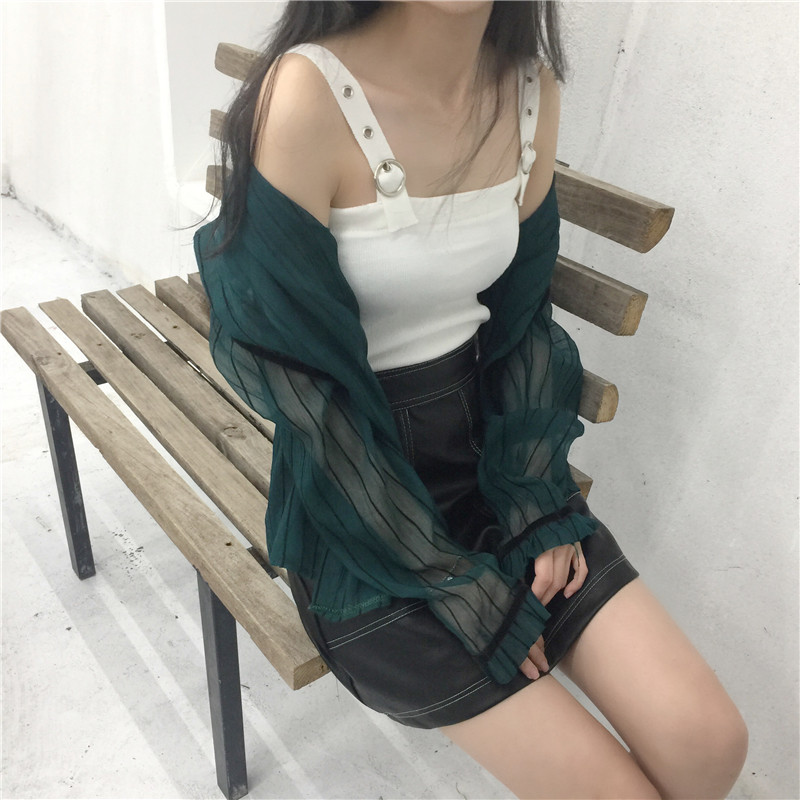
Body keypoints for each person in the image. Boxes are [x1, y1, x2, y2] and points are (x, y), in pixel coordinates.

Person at [194, 2, 748, 797]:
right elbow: (302, 387)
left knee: (708, 743)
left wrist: (533, 500)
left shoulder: (529, 91)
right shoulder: (308, 92)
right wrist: (450, 580)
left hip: (491, 469)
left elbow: (522, 324)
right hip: (360, 511)